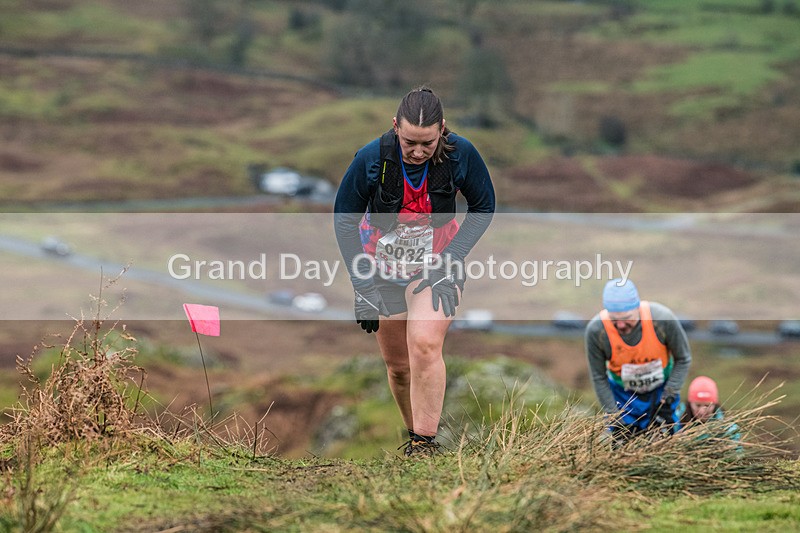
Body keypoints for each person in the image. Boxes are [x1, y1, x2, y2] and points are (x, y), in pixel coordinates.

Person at [333, 86, 495, 456]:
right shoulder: (371, 158)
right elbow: (345, 222)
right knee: (399, 368)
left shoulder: (460, 155)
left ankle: (425, 443)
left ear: (442, 130)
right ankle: (413, 434)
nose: (419, 152)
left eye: (428, 142)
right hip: (381, 267)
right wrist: (362, 287)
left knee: (424, 344)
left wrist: (453, 257)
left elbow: (484, 206)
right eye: (410, 142)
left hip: (436, 266)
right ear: (395, 128)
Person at [584, 279, 692, 445]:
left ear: (638, 307)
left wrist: (669, 396)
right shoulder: (597, 331)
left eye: (627, 318)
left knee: (667, 447)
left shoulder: (662, 320)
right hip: (623, 397)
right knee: (623, 451)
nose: (620, 325)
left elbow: (683, 358)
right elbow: (599, 377)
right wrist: (615, 417)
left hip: (661, 394)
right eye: (614, 319)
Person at [677, 376, 741, 442]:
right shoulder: (674, 422)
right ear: (690, 403)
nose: (702, 411)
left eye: (707, 405)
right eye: (698, 405)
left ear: (715, 404)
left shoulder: (729, 429)